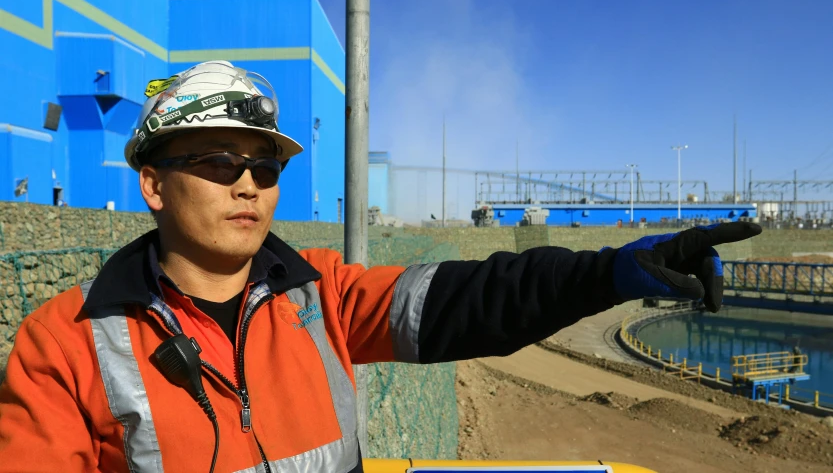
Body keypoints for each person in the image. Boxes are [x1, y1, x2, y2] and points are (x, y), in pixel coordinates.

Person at [0, 61, 762, 473]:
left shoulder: (318, 293)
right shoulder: (65, 344)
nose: (247, 182)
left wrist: (609, 274)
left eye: (265, 168)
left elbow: (475, 298)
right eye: (218, 160)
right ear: (153, 184)